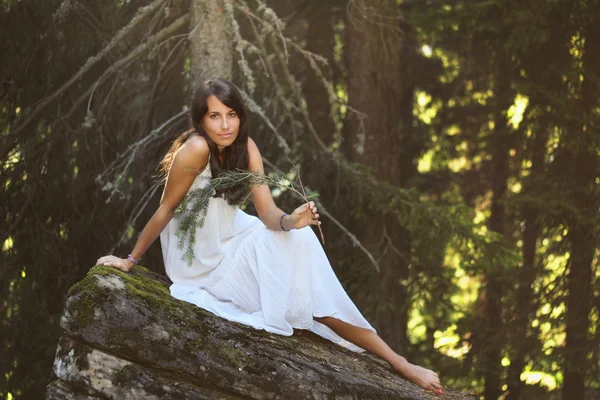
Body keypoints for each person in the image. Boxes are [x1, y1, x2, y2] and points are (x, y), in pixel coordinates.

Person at [96, 78, 442, 393]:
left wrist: (292, 221)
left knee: (300, 243)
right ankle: (399, 362)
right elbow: (165, 210)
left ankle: (399, 363)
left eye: (231, 114)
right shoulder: (195, 149)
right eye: (215, 116)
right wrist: (130, 260)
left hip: (237, 234)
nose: (226, 124)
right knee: (296, 287)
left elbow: (266, 213)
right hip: (201, 262)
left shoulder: (246, 149)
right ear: (200, 120)